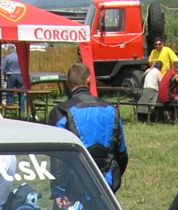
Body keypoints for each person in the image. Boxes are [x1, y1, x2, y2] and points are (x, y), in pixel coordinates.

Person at [48, 62, 128, 192]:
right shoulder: (111, 110)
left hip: (74, 187)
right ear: (89, 81)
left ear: (68, 83)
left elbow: (58, 158)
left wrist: (58, 190)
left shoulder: (60, 112)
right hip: (107, 183)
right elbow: (122, 153)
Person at [2, 45, 24, 112]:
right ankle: (22, 109)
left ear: (9, 50)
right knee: (21, 93)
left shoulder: (7, 57)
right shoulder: (20, 57)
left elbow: (3, 69)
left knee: (9, 93)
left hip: (11, 75)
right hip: (20, 75)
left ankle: (10, 109)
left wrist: (4, 77)